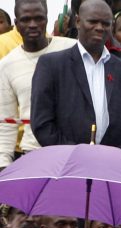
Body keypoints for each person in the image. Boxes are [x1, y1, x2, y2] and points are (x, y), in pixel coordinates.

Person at [30, 0, 121, 152]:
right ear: (78, 21)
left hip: (111, 167)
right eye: (93, 22)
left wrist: (115, 157)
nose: (99, 28)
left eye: (106, 23)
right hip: (65, 164)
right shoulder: (51, 65)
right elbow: (42, 124)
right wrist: (78, 156)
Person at [0, 0, 76, 167]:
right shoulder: (7, 65)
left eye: (39, 18)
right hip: (32, 155)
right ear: (16, 24)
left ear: (46, 20)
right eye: (26, 19)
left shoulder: (72, 49)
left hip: (74, 152)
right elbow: (6, 123)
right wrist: (3, 166)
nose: (33, 25)